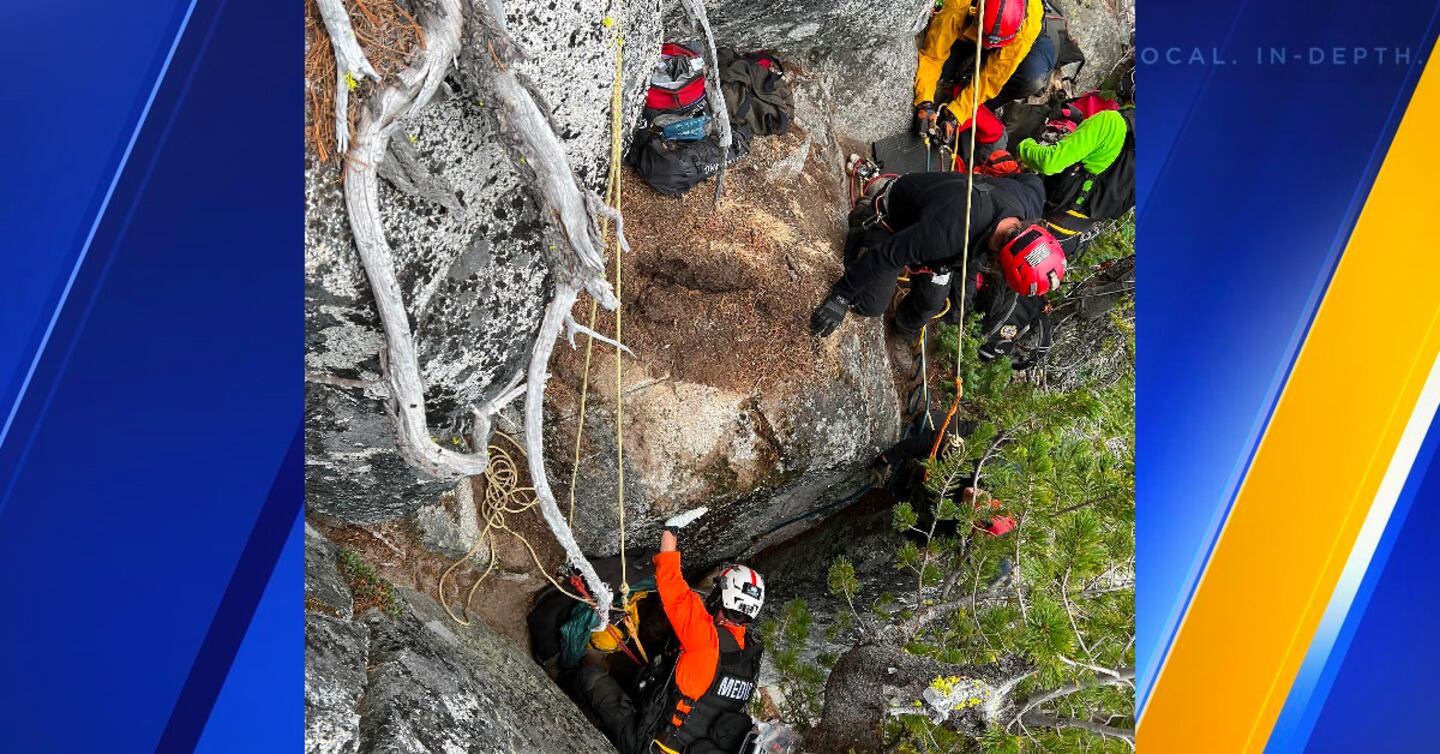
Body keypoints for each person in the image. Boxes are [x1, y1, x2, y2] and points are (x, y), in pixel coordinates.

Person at [810, 171, 1064, 340]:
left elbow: (1032, 179)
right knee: (870, 305)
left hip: (939, 226)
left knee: (931, 301)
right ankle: (864, 225)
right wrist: (839, 298)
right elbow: (886, 256)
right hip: (892, 217)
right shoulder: (948, 234)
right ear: (1000, 261)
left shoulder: (1029, 204)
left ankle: (902, 330)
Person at [577, 530, 766, 754]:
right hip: (688, 744)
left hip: (651, 745)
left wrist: (671, 531)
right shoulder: (750, 654)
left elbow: (671, 585)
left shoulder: (705, 636)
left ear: (721, 597)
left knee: (589, 676)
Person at [913, 0, 1056, 148]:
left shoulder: (1027, 27)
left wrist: (956, 116)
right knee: (945, 70)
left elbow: (992, 78)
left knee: (1031, 78)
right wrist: (925, 102)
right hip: (973, 25)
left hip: (1014, 38)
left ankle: (981, 109)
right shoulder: (958, 4)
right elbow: (933, 55)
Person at [1016, 100, 1135, 256]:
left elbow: (1050, 162)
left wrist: (1024, 146)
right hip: (1067, 241)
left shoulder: (1112, 123)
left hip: (1035, 216)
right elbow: (1118, 208)